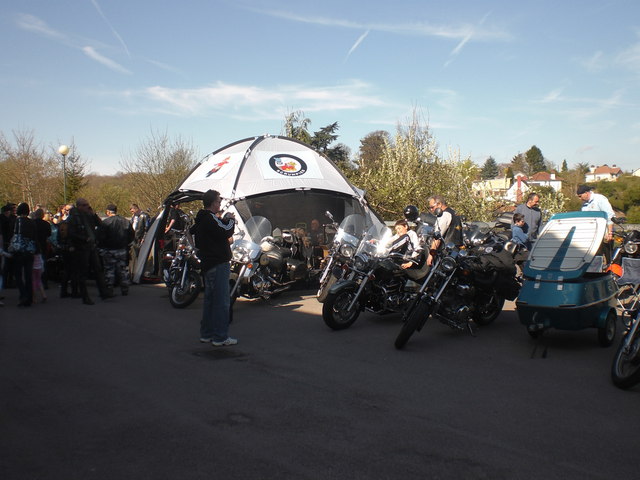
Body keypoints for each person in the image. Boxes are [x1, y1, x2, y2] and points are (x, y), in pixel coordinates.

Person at [190, 189, 237, 346]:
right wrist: (231, 220)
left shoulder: (201, 220)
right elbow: (225, 231)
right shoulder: (209, 218)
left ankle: (207, 333)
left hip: (207, 264)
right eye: (218, 201)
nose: (220, 204)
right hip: (218, 263)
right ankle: (220, 337)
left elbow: (212, 232)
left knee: (210, 300)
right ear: (212, 203)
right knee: (222, 302)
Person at [97, 204, 135, 296]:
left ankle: (109, 288)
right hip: (122, 249)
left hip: (109, 249)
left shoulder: (105, 222)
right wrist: (126, 244)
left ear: (108, 212)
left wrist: (101, 247)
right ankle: (125, 288)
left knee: (109, 269)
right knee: (122, 269)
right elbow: (132, 235)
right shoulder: (125, 221)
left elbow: (100, 237)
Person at [577, 184, 615, 262]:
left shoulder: (600, 199)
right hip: (592, 235)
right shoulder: (584, 205)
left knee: (609, 256)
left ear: (586, 193)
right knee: (595, 256)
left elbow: (609, 216)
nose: (580, 199)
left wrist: (610, 233)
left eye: (580, 196)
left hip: (605, 232)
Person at [426, 195, 463, 265]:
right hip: (456, 251)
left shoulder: (444, 215)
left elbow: (438, 237)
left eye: (432, 207)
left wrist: (431, 254)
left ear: (439, 204)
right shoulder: (453, 212)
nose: (431, 210)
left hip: (446, 251)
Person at [13, 202, 36, 307]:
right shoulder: (32, 222)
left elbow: (15, 234)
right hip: (30, 250)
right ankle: (30, 296)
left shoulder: (17, 221)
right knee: (28, 275)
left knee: (18, 274)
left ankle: (23, 295)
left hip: (19, 250)